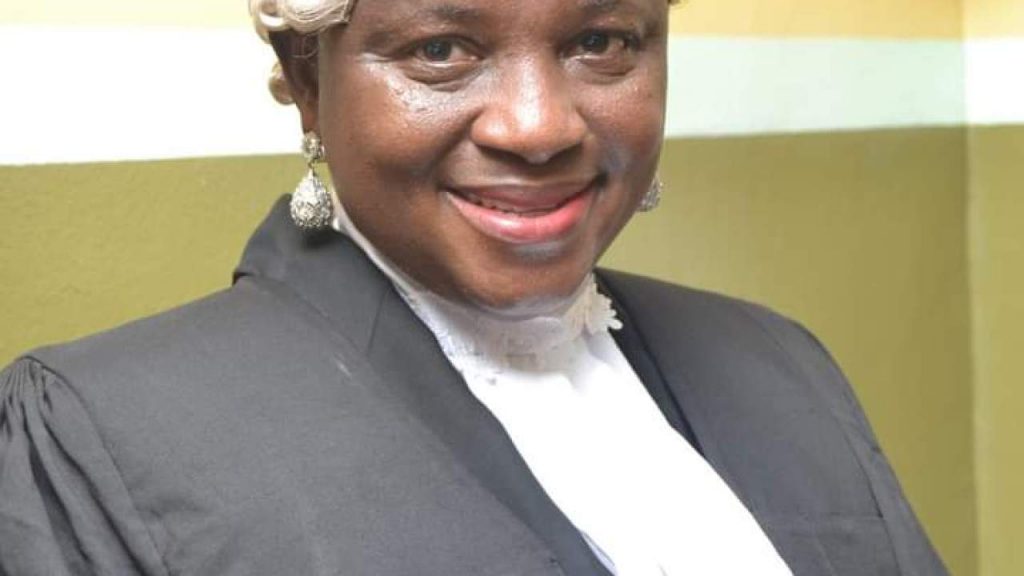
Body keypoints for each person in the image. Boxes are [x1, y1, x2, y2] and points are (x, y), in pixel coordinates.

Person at [0, 1, 947, 574]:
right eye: (441, 50)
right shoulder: (103, 437)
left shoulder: (777, 362)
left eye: (602, 39)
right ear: (307, 80)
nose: (539, 127)